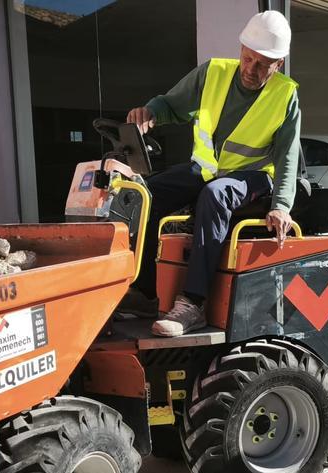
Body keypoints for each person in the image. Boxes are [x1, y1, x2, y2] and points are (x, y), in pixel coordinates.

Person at [117, 10, 301, 337]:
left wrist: (281, 206)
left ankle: (193, 303)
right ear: (241, 49)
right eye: (247, 59)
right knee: (144, 195)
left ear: (279, 64)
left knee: (215, 194)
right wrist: (150, 113)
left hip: (254, 176)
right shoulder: (213, 73)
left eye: (262, 64)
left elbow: (288, 155)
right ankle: (145, 292)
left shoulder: (285, 95)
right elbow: (170, 105)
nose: (251, 69)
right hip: (207, 170)